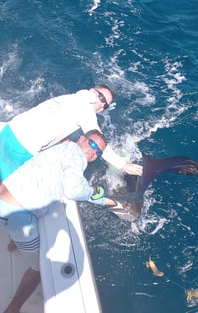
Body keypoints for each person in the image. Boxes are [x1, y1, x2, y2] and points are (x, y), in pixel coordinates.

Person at [1, 129, 117, 313]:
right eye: (92, 144)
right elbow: (74, 190)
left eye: (98, 152)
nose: (93, 152)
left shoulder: (61, 148)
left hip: (4, 196)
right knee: (39, 268)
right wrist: (96, 191)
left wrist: (104, 200)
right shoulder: (77, 156)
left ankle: (13, 244)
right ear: (81, 139)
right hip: (17, 215)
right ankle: (13, 308)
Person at [0, 84, 142, 182]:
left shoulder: (71, 97)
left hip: (7, 132)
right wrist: (123, 165)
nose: (101, 104)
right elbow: (97, 142)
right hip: (20, 149)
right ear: (92, 91)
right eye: (101, 97)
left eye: (105, 105)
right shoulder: (85, 110)